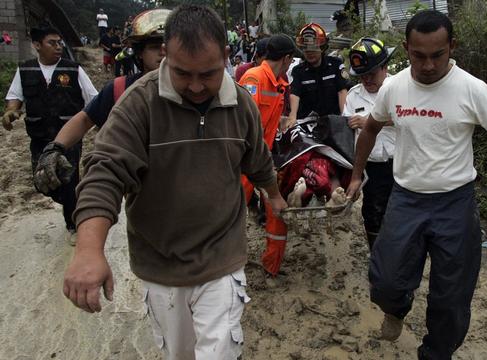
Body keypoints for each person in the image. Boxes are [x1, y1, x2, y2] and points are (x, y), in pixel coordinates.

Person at [344, 11, 487, 360]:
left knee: (452, 298)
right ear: (406, 48)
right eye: (418, 55)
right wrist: (355, 174)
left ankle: (436, 353)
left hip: (454, 205)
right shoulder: (394, 87)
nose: (427, 65)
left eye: (437, 55)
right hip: (407, 199)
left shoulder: (472, 89)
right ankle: (397, 307)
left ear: (452, 46)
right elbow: (371, 128)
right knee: (386, 282)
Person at [62, 5, 287, 359]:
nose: (196, 86)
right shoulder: (139, 104)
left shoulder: (240, 104)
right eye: (183, 74)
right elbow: (104, 171)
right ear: (165, 55)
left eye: (209, 74)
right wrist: (89, 250)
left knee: (220, 353)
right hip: (161, 264)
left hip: (221, 258)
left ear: (226, 57)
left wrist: (274, 196)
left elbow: (257, 159)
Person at [32, 8, 169, 218]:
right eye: (154, 47)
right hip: (140, 193)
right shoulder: (120, 89)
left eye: (168, 45)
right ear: (139, 52)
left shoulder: (197, 90)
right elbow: (85, 118)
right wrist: (55, 148)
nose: (163, 52)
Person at [2, 26, 98, 243]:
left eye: (59, 43)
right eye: (52, 43)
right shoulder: (25, 70)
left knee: (69, 179)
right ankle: (74, 201)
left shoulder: (73, 70)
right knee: (43, 182)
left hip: (69, 139)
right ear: (36, 45)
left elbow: (94, 98)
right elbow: (15, 97)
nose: (58, 47)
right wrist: (11, 112)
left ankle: (73, 224)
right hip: (39, 138)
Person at [239, 34, 302, 277]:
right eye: (291, 59)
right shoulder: (254, 78)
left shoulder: (279, 84)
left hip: (264, 159)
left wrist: (285, 122)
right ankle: (224, 266)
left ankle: (272, 266)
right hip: (245, 159)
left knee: (278, 210)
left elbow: (267, 122)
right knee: (231, 213)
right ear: (286, 58)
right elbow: (246, 122)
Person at [342, 37, 396, 249]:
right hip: (371, 165)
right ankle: (378, 257)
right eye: (362, 76)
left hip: (400, 162)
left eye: (371, 74)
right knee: (372, 212)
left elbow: (410, 118)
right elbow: (347, 130)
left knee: (400, 213)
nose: (367, 80)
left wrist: (370, 121)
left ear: (385, 67)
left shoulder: (400, 89)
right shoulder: (354, 96)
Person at [286, 23, 349, 128]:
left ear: (322, 48)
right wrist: (292, 117)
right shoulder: (298, 71)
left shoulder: (335, 65)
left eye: (313, 48)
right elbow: (294, 94)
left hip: (333, 124)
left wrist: (345, 117)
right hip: (308, 126)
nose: (310, 52)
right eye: (306, 48)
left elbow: (342, 91)